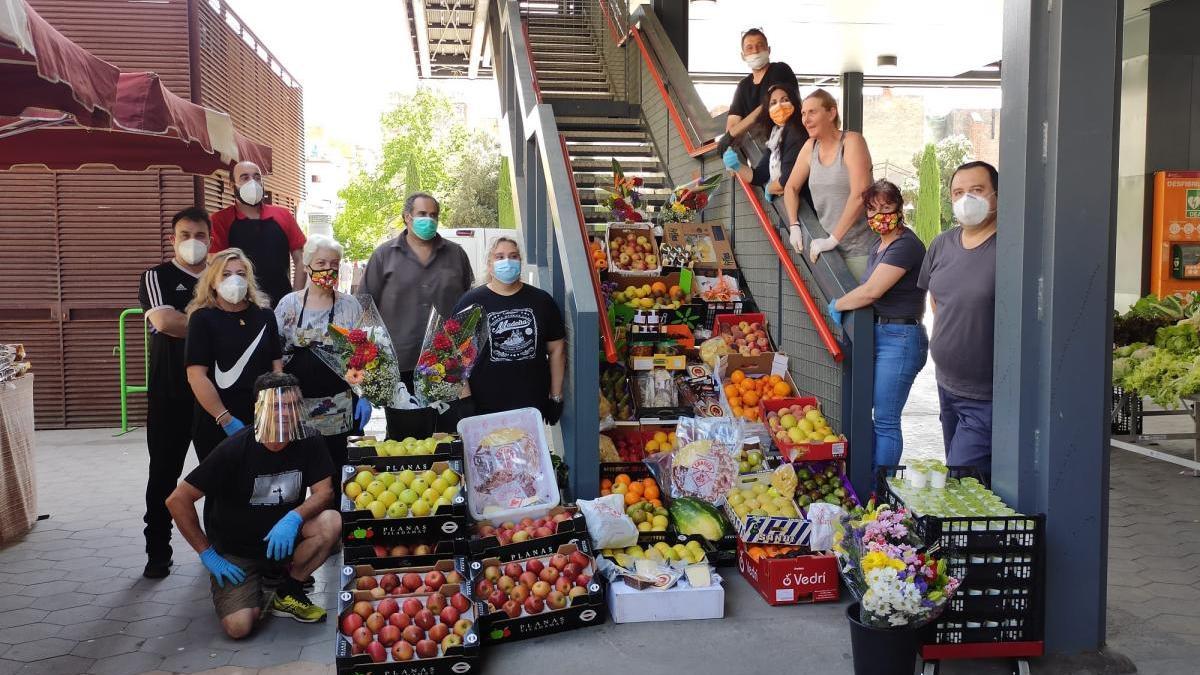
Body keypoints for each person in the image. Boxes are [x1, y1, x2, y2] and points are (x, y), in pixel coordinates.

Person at [165, 373, 340, 638]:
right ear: (259, 409)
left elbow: (324, 492)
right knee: (239, 627)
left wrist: (294, 517)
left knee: (331, 522)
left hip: (283, 541)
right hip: (237, 551)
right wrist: (207, 554)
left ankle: (288, 590)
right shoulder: (235, 449)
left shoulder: (310, 440)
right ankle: (256, 582)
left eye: (291, 405)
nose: (285, 414)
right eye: (276, 406)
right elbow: (177, 500)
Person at [826, 181, 928, 469]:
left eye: (886, 207)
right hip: (879, 334)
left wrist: (839, 304)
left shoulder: (906, 245)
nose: (879, 215)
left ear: (899, 207)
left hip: (901, 337)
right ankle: (868, 477)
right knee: (866, 413)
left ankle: (881, 488)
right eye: (872, 209)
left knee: (886, 419)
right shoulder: (877, 245)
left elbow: (872, 290)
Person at [137, 207, 210, 579]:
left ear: (211, 239)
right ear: (172, 239)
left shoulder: (220, 275)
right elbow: (164, 321)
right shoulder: (157, 276)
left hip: (214, 398)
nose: (193, 242)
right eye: (185, 235)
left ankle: (221, 548)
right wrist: (215, 327)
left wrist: (194, 326)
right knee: (164, 475)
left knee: (220, 476)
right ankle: (157, 552)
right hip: (170, 396)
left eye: (200, 235)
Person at [362, 193, 473, 429]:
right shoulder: (383, 255)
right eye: (422, 214)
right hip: (400, 365)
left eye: (434, 215)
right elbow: (364, 307)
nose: (429, 220)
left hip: (446, 366)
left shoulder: (456, 254)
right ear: (407, 217)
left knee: (448, 437)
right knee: (406, 440)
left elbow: (468, 306)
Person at [917, 161, 999, 475]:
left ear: (996, 195)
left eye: (977, 190)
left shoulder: (1009, 250)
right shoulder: (941, 245)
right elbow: (937, 301)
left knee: (960, 472)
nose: (967, 199)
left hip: (986, 396)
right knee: (968, 485)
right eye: (959, 192)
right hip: (947, 385)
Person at [275, 234, 368, 479]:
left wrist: (365, 396)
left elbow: (364, 354)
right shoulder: (288, 305)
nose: (328, 269)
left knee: (337, 473)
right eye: (321, 264)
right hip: (296, 407)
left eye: (334, 264)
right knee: (297, 472)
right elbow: (273, 353)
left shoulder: (350, 306)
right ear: (306, 266)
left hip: (339, 407)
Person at [453, 237, 566, 422]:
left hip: (530, 405)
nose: (507, 261)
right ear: (489, 265)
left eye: (513, 256)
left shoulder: (542, 301)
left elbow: (556, 350)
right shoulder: (470, 303)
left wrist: (556, 396)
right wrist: (464, 398)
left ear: (520, 262)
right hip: (484, 406)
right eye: (500, 257)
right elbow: (455, 355)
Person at [186, 249, 283, 463]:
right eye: (226, 274)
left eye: (241, 273)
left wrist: (274, 412)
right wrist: (225, 419)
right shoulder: (202, 319)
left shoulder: (265, 316)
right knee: (220, 491)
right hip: (217, 421)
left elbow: (277, 368)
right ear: (212, 282)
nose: (235, 280)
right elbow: (196, 376)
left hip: (261, 418)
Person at [783, 88, 878, 281]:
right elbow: (790, 188)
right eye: (803, 113)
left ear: (831, 113)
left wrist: (833, 239)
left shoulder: (852, 141)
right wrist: (794, 225)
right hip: (827, 251)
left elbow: (860, 194)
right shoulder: (810, 147)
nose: (805, 119)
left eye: (812, 112)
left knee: (859, 310)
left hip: (859, 250)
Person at [210, 161, 306, 308]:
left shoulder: (282, 215)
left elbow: (301, 259)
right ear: (231, 185)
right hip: (239, 305)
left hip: (282, 304)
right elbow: (215, 265)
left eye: (257, 177)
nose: (252, 182)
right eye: (245, 178)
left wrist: (295, 299)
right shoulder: (220, 220)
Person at [722, 81, 810, 203]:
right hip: (792, 205)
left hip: (807, 205)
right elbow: (759, 175)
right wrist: (736, 165)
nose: (779, 106)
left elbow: (786, 180)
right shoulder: (776, 134)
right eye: (773, 103)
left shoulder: (797, 132)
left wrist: (770, 188)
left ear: (794, 103)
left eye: (785, 100)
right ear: (768, 110)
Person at [725, 28, 797, 141]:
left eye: (760, 45)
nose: (755, 51)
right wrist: (730, 137)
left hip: (789, 139)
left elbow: (767, 106)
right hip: (763, 148)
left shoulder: (780, 69)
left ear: (769, 50)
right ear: (743, 56)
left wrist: (732, 134)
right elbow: (732, 124)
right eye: (749, 48)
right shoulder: (743, 86)